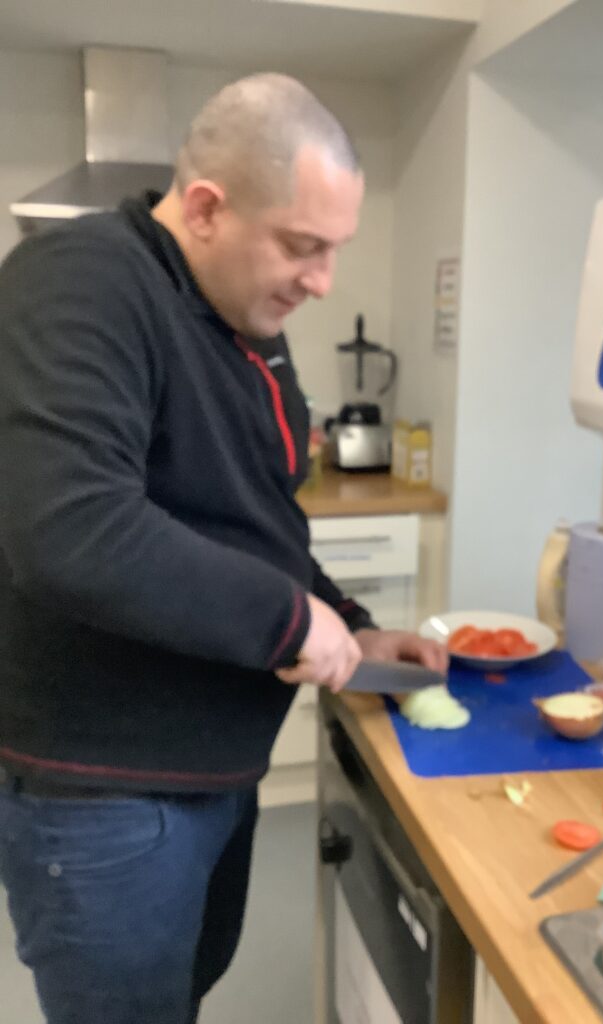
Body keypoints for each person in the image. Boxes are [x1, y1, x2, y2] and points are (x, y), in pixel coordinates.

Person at [0, 73, 446, 1024]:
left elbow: (256, 520)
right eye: (302, 245)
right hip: (109, 798)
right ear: (205, 208)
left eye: (335, 250)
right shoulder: (83, 279)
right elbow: (72, 528)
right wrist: (290, 621)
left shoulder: (247, 324)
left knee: (182, 998)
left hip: (216, 773)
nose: (323, 280)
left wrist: (352, 625)